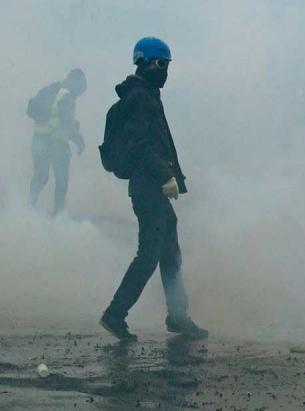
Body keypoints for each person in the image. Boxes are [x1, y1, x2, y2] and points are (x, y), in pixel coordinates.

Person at [100, 37, 207, 342]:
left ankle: (177, 315)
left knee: (169, 250)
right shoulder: (141, 99)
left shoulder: (144, 95)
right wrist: (165, 176)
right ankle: (115, 313)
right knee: (149, 254)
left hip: (151, 187)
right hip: (149, 187)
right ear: (150, 63)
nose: (165, 71)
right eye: (163, 65)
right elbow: (142, 145)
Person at [28, 68, 87, 213]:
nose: (79, 94)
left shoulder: (51, 89)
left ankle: (28, 205)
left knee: (40, 176)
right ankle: (58, 214)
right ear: (76, 83)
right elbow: (68, 124)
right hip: (57, 143)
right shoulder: (67, 96)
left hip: (38, 141)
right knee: (62, 179)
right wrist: (79, 141)